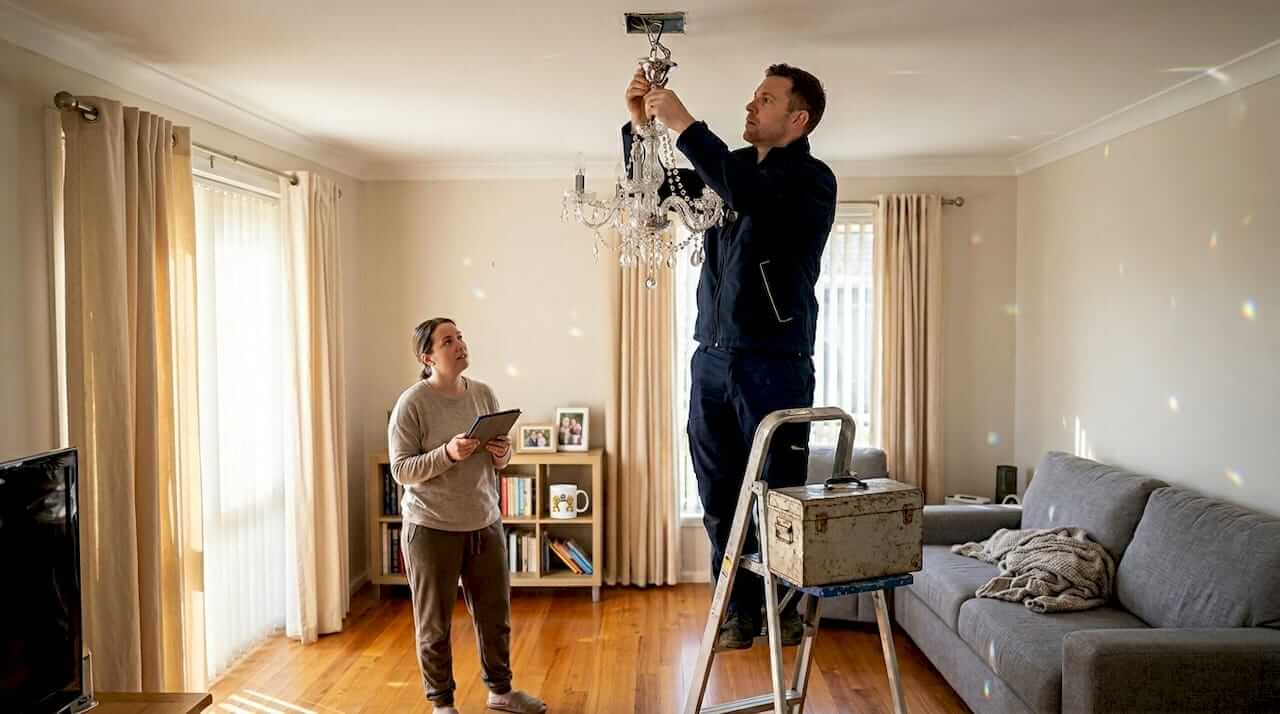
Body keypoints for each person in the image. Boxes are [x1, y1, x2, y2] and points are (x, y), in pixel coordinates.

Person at [624, 64, 837, 649]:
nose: (750, 105)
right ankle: (739, 611)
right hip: (711, 360)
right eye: (753, 96)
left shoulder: (811, 180)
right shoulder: (730, 169)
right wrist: (642, 130)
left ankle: (782, 609)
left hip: (775, 360)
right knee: (718, 490)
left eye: (765, 99)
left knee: (778, 492)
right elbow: (654, 192)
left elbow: (749, 194)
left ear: (797, 118)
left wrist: (684, 123)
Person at [388, 318, 546, 714]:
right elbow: (401, 470)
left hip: (484, 522)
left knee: (495, 617)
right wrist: (447, 453)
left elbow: (501, 459)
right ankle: (442, 704)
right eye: (447, 341)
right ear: (427, 357)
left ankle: (501, 692)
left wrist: (502, 453)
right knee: (434, 624)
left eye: (459, 337)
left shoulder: (484, 394)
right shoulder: (412, 404)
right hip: (431, 528)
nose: (459, 344)